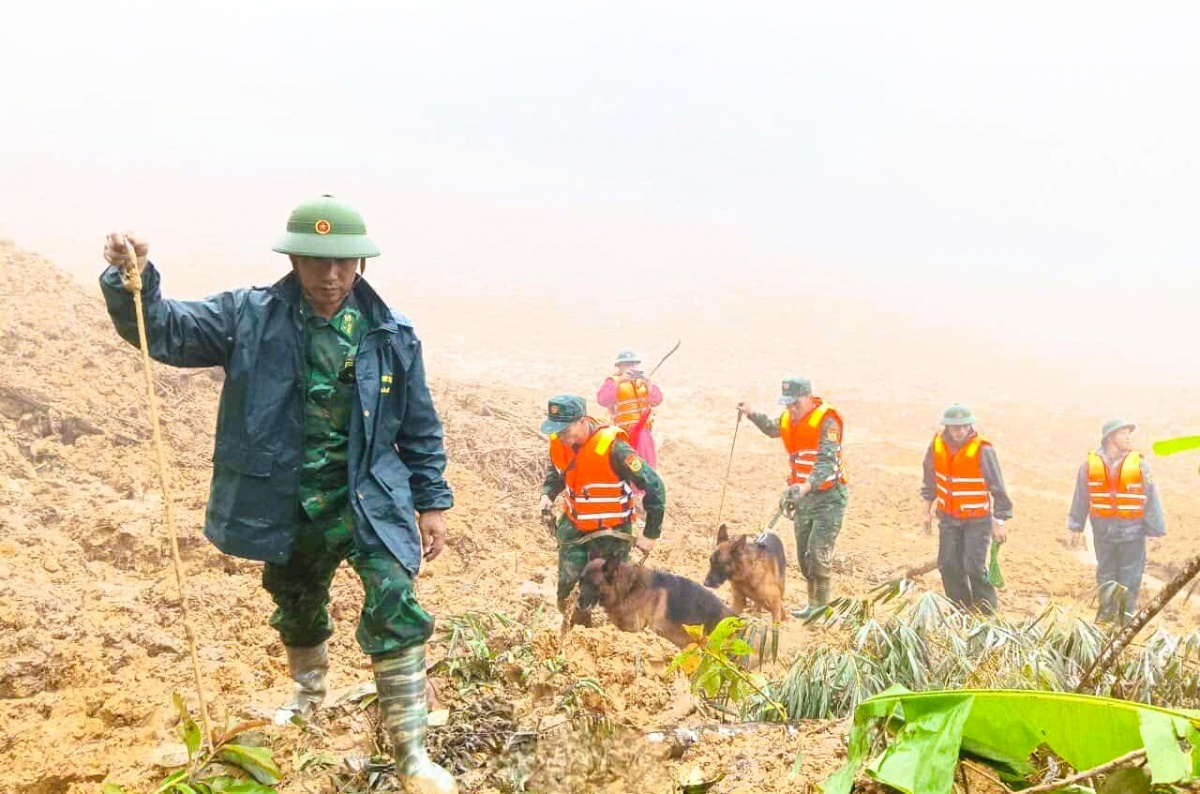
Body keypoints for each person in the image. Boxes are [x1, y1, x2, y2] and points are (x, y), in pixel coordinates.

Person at [100, 195, 457, 793]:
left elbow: (418, 423)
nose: (331, 275)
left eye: (343, 263)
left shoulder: (392, 335)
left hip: (369, 496)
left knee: (395, 597)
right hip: (286, 498)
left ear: (361, 265)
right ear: (293, 259)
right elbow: (165, 330)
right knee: (295, 599)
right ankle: (307, 700)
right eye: (317, 262)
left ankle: (411, 753)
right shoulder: (249, 315)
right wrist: (130, 278)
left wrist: (433, 500)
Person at [537, 395, 665, 624]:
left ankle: (616, 638)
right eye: (558, 431)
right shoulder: (560, 442)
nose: (563, 437)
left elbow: (654, 485)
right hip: (575, 527)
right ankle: (577, 634)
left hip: (612, 533)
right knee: (567, 594)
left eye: (567, 430)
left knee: (615, 594)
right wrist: (548, 494)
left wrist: (651, 534)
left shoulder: (614, 448)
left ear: (583, 421)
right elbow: (557, 472)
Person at [738, 377, 848, 619]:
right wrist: (751, 413)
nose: (792, 409)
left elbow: (826, 463)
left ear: (809, 398)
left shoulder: (827, 421)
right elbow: (771, 428)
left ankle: (821, 609)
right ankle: (812, 604)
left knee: (818, 553)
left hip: (828, 498)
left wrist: (804, 487)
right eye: (788, 404)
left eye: (796, 404)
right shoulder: (788, 417)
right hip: (803, 498)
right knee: (804, 556)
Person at [1067, 419, 1165, 622]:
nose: (1128, 437)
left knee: (1129, 579)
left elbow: (1151, 498)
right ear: (1110, 437)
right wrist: (1075, 527)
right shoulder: (1089, 466)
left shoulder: (1140, 465)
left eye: (1129, 433)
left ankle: (1123, 621)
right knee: (1105, 574)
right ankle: (1104, 618)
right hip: (1103, 534)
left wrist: (1155, 531)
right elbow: (1081, 497)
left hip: (1132, 534)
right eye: (1123, 433)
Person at [920, 404, 1012, 615]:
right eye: (955, 427)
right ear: (947, 428)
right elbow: (930, 480)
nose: (959, 431)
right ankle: (961, 609)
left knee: (973, 566)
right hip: (948, 518)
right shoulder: (936, 445)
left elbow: (998, 488)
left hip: (976, 520)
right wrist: (925, 511)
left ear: (970, 425)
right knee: (948, 565)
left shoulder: (983, 449)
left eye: (963, 426)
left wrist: (999, 522)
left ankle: (986, 613)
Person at [596, 349, 663, 467]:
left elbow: (657, 400)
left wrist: (649, 384)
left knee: (647, 465)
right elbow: (603, 400)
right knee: (629, 466)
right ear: (619, 367)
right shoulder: (613, 381)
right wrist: (619, 382)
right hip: (624, 433)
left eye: (634, 364)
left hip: (644, 432)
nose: (631, 367)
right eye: (627, 364)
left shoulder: (644, 381)